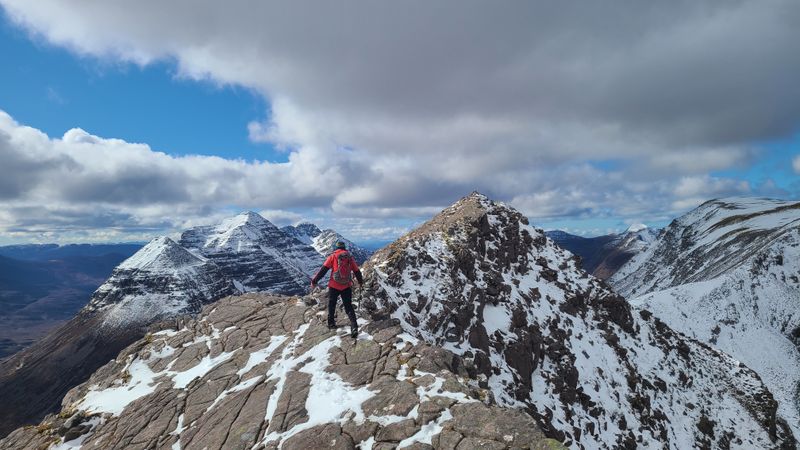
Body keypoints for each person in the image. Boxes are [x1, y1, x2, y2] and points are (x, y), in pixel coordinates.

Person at [311, 241, 364, 338]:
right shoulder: (349, 257)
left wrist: (314, 281)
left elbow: (323, 270)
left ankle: (331, 323)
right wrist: (360, 282)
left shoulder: (333, 256)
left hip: (334, 285)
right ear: (344, 248)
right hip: (346, 285)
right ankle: (354, 326)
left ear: (336, 248)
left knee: (332, 304)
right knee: (348, 306)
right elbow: (356, 271)